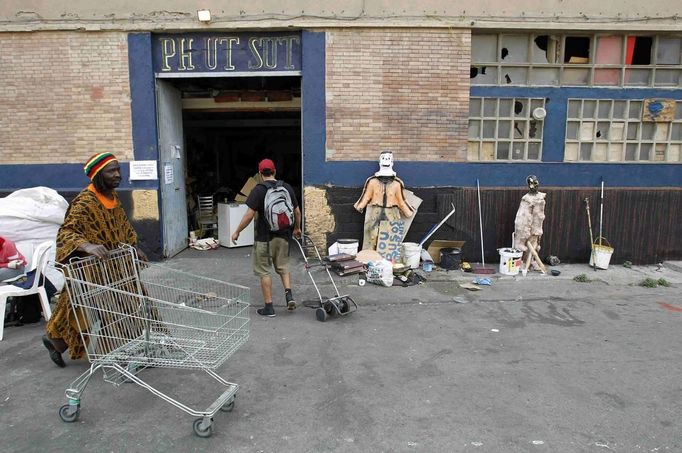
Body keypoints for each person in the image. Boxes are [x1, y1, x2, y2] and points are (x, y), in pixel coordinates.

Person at [42, 152, 147, 367]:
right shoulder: (84, 202)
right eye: (112, 171)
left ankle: (57, 342)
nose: (118, 175)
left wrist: (133, 247)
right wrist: (87, 246)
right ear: (98, 175)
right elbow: (67, 232)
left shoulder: (112, 198)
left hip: (116, 266)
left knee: (121, 305)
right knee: (101, 310)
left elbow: (122, 228)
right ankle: (122, 355)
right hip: (93, 269)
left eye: (118, 169)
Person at [231, 158, 301, 317]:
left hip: (264, 238)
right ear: (275, 171)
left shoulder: (258, 189)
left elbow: (249, 215)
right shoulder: (287, 187)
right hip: (283, 237)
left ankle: (269, 307)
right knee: (283, 267)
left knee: (264, 271)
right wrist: (296, 228)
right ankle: (289, 295)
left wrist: (237, 231)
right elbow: (296, 212)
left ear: (260, 173)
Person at [354, 151, 413, 250]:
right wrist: (360, 206)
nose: (386, 160)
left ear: (392, 162)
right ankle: (370, 257)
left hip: (391, 212)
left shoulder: (397, 183)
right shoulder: (372, 181)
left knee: (390, 239)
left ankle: (387, 260)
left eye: (388, 158)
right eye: (384, 158)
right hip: (374, 212)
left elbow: (401, 200)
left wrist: (408, 212)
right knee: (371, 236)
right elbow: (366, 196)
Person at [514, 174, 546, 270]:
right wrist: (523, 229)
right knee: (522, 243)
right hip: (525, 225)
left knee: (534, 243)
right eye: (531, 183)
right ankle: (520, 262)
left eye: (535, 183)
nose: (533, 186)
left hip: (536, 225)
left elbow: (540, 213)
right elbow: (521, 216)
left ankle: (531, 261)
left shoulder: (541, 197)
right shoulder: (526, 199)